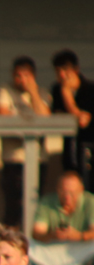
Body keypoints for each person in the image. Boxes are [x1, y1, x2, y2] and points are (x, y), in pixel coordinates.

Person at [0, 56, 52, 227]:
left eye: (26, 76)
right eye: (17, 75)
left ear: (34, 76)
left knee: (35, 204)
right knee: (13, 206)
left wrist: (33, 92)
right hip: (13, 159)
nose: (21, 80)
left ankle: (31, 246)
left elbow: (46, 120)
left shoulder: (43, 94)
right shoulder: (6, 91)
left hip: (37, 159)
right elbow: (4, 117)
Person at [29, 170, 94, 265]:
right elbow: (37, 233)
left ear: (81, 190)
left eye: (72, 193)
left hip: (81, 246)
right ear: (58, 190)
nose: (67, 197)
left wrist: (78, 236)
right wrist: (52, 235)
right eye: (64, 192)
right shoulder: (47, 202)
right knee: (26, 245)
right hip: (54, 246)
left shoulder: (90, 202)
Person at [52, 50, 94, 192]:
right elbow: (56, 115)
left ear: (76, 70)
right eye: (58, 71)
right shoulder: (56, 90)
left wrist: (67, 96)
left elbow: (83, 120)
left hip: (88, 149)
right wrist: (64, 93)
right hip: (69, 150)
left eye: (66, 70)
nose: (62, 75)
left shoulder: (90, 90)